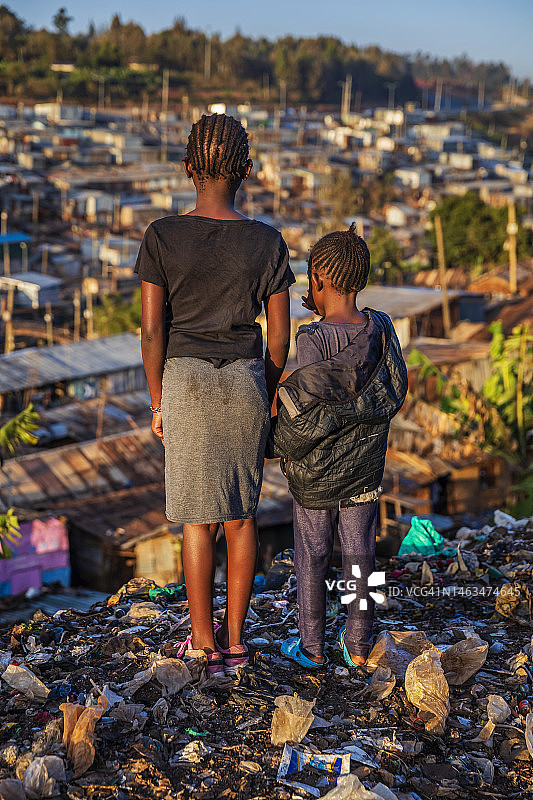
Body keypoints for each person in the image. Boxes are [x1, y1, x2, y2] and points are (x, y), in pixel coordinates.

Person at [135, 113, 294, 676]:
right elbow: (280, 337)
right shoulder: (267, 242)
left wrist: (158, 400)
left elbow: (152, 331)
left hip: (185, 382)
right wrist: (266, 390)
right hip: (245, 379)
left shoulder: (161, 237)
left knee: (196, 520)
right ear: (246, 171)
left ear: (187, 168)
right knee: (241, 517)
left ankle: (202, 641)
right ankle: (236, 640)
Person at [270, 223, 407, 669]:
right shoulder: (381, 330)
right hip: (365, 468)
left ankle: (312, 648)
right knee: (361, 556)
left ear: (319, 278)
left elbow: (315, 408)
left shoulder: (312, 339)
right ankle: (359, 645)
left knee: (312, 556)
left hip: (316, 473)